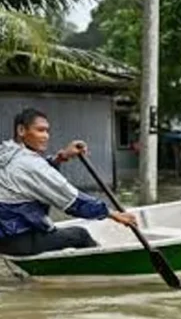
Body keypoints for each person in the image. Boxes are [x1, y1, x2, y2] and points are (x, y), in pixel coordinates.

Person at [0, 108, 137, 256]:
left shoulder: (6, 153)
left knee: (57, 230)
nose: (46, 136)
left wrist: (61, 157)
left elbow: (30, 177)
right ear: (21, 130)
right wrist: (114, 215)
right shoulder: (30, 165)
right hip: (18, 239)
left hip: (6, 236)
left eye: (47, 131)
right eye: (40, 130)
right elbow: (73, 201)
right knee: (81, 235)